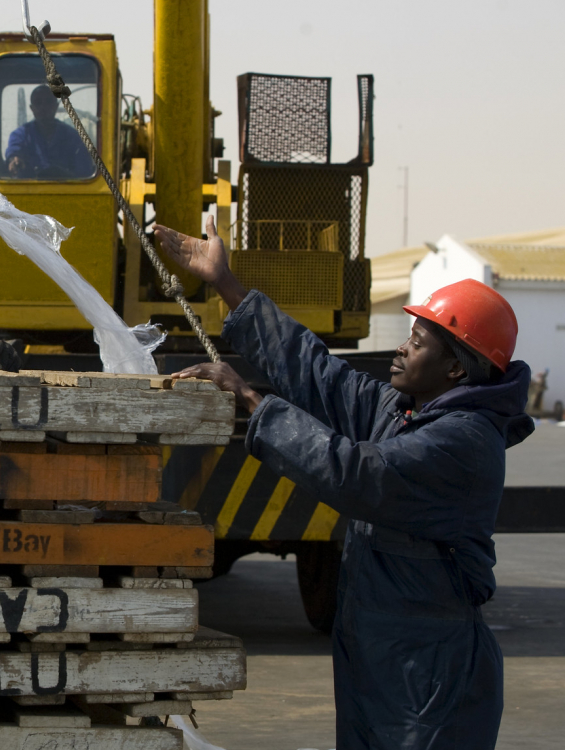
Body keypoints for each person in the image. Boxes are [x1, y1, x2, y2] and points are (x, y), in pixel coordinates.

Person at [155, 216, 532, 750]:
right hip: (378, 661)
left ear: (455, 369)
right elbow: (319, 374)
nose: (400, 349)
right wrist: (226, 284)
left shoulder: (463, 443)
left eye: (418, 342)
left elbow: (354, 473)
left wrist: (250, 399)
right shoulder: (406, 411)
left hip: (427, 676)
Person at [4, 85, 94, 180]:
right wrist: (14, 159)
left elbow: (84, 172)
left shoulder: (73, 136)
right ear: (32, 108)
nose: (43, 107)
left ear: (55, 107)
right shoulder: (21, 134)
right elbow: (14, 150)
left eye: (48, 102)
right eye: (38, 103)